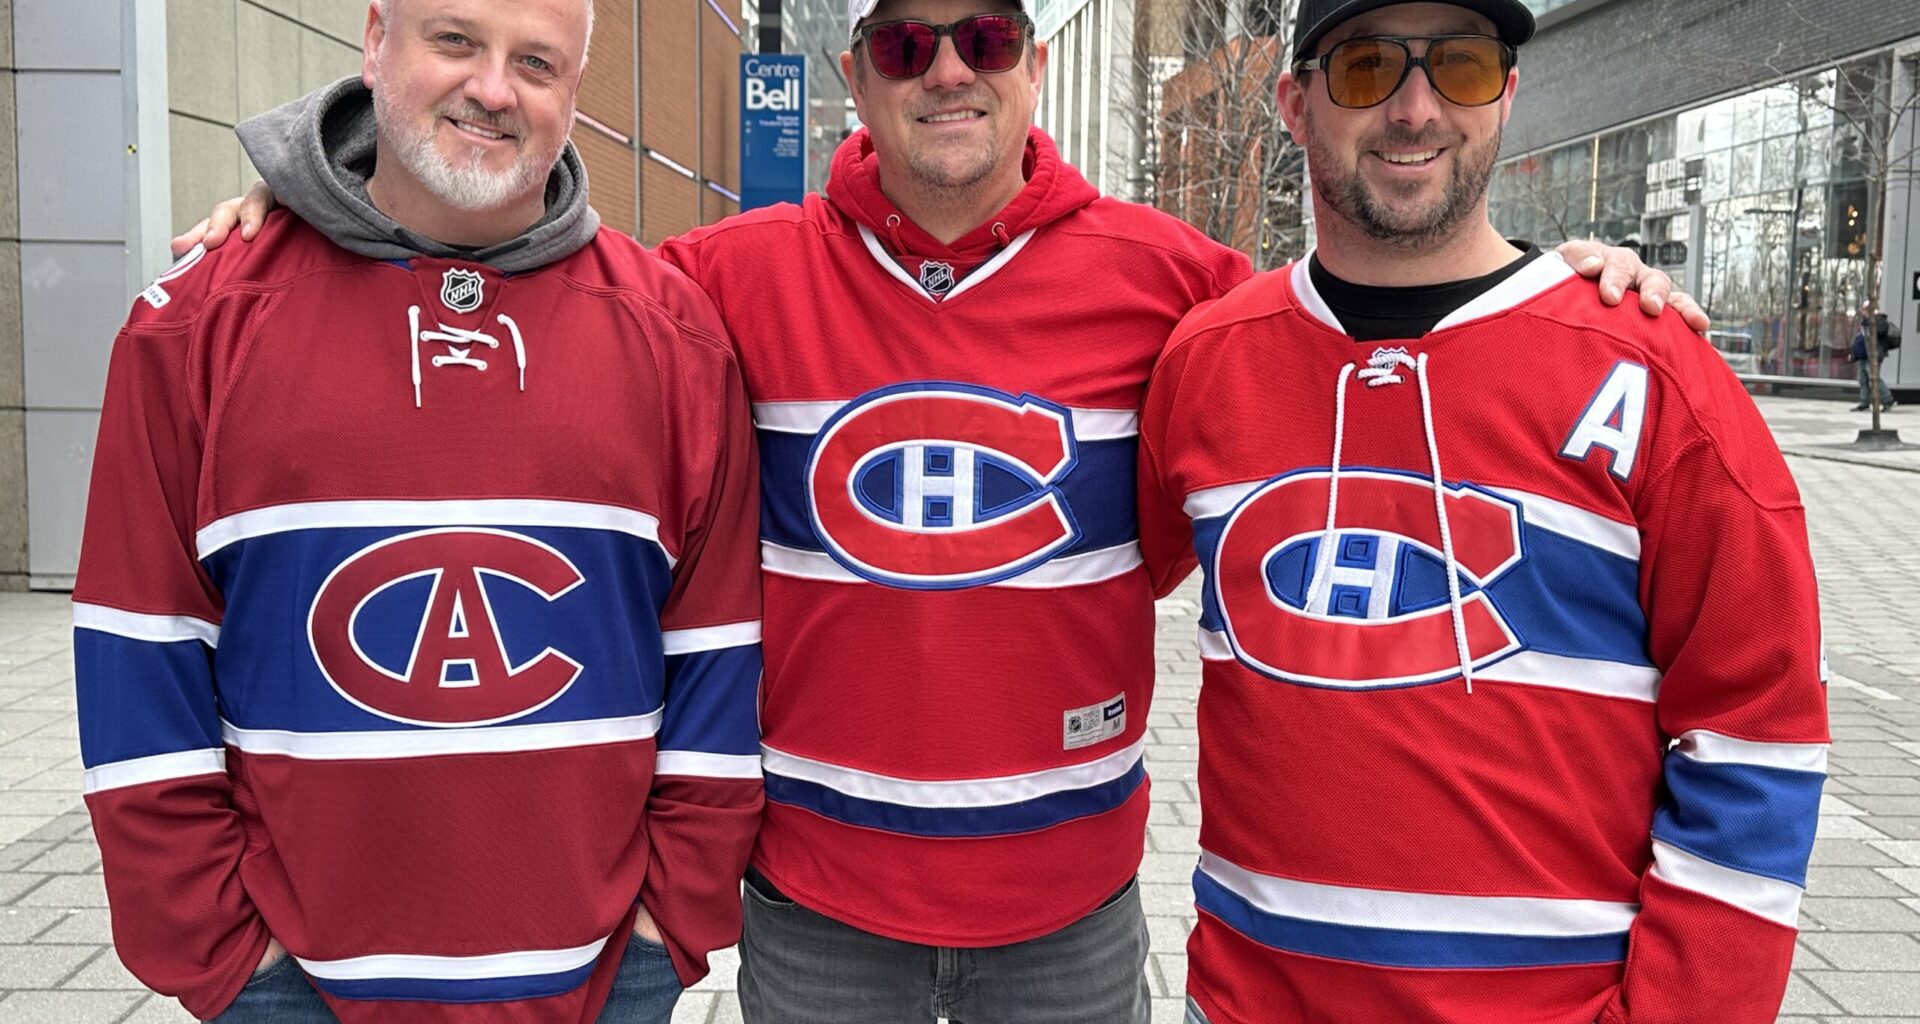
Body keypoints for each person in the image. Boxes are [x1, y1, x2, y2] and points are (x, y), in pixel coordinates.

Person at [177, 1, 1699, 1019]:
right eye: (907, 41)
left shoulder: (1177, 284)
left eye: (983, 33)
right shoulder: (720, 281)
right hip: (814, 910)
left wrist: (1564, 273)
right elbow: (505, 262)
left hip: (1074, 910)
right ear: (856, 74)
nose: (947, 69)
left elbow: (1364, 322)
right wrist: (307, 203)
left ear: (1031, 61)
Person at [1138, 1, 1831, 1022]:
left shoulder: (1649, 370)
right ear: (1294, 105)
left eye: (1458, 66)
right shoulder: (1206, 363)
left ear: (1507, 93)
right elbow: (1072, 590)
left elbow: (1757, 725)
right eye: (1368, 68)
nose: (1415, 108)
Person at [73, 1, 764, 1021]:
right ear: (374, 39)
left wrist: (671, 928)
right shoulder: (194, 328)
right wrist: (224, 957)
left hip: (604, 980)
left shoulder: (676, 338)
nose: (493, 88)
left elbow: (718, 653)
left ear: (575, 91)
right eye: (455, 40)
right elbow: (140, 659)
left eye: (537, 61)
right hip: (294, 991)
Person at [1850, 302, 1899, 410]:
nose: (1863, 312)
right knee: (1862, 378)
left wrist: (1872, 320)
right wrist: (1854, 353)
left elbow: (1880, 332)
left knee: (1873, 378)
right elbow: (1860, 339)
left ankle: (1888, 399)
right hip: (1864, 354)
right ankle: (1864, 402)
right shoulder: (1864, 322)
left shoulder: (1879, 321)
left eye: (1865, 309)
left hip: (1873, 354)